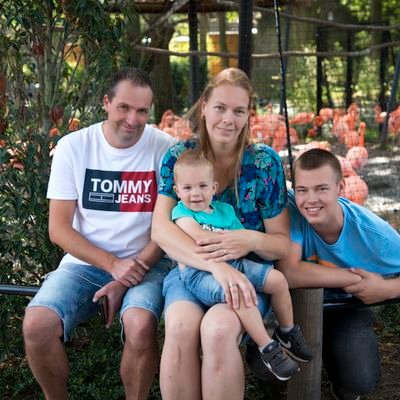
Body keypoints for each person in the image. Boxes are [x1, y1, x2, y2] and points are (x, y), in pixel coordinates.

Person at [22, 67, 175, 400]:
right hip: (84, 263)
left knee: (139, 324)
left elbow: (169, 227)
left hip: (147, 263)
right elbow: (58, 229)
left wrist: (126, 274)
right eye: (124, 107)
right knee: (36, 325)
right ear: (106, 103)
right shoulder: (74, 147)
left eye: (141, 111)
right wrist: (111, 265)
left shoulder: (165, 149)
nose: (133, 119)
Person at [151, 67, 293, 399]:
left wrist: (250, 239)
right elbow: (161, 229)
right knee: (181, 326)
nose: (228, 119)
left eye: (238, 110)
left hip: (246, 274)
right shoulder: (179, 157)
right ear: (204, 107)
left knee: (218, 330)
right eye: (220, 107)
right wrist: (216, 266)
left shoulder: (264, 164)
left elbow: (281, 245)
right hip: (188, 270)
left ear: (248, 115)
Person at [171, 149, 312, 380]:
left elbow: (242, 238)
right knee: (238, 289)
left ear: (214, 188)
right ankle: (267, 348)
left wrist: (247, 241)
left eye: (202, 186)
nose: (195, 194)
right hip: (201, 272)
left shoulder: (225, 211)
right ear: (177, 191)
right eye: (188, 188)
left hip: (236, 263)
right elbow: (199, 237)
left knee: (277, 280)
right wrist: (233, 240)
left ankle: (287, 331)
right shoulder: (182, 213)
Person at [273, 148, 400, 400]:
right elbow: (289, 271)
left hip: (346, 306)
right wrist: (353, 278)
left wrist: (387, 289)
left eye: (321, 189)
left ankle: (339, 376)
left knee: (361, 380)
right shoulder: (291, 207)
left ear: (340, 188)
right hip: (292, 306)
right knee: (262, 365)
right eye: (302, 190)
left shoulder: (373, 233)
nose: (310, 200)